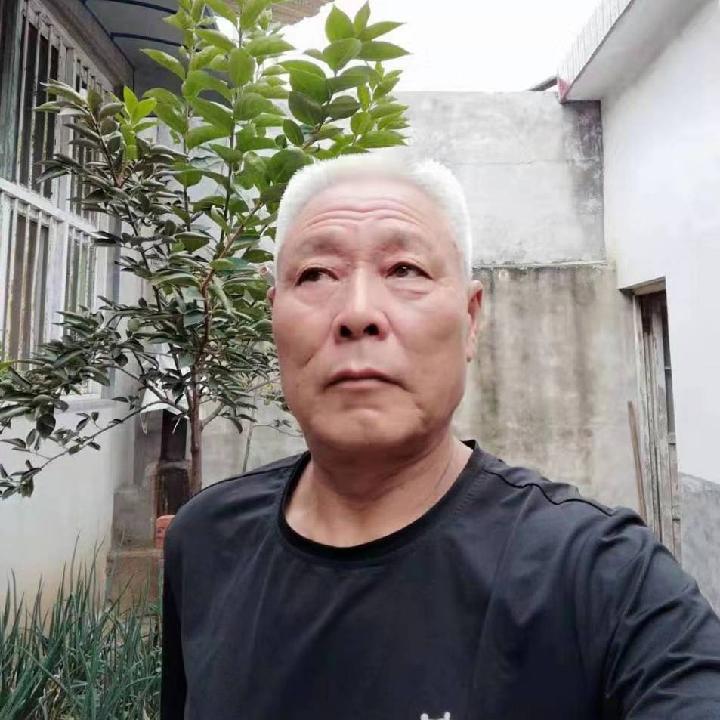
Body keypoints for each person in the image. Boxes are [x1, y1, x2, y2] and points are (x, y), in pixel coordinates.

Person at [161, 154, 720, 719]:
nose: (358, 313)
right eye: (316, 274)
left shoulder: (603, 576)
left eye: (405, 270)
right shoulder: (207, 541)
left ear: (471, 319)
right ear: (273, 314)